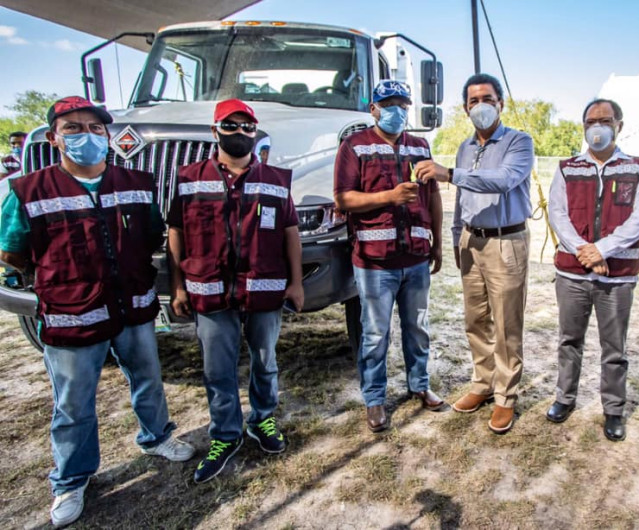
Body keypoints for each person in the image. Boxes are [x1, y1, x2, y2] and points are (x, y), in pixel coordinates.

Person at [0, 96, 194, 527]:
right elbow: (12, 252)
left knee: (147, 378)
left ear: (106, 135)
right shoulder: (28, 190)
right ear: (54, 138)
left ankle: (157, 437)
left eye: (93, 127)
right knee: (73, 402)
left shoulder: (134, 183)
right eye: (72, 128)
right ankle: (70, 480)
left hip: (133, 305)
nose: (85, 135)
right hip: (72, 314)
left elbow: (151, 234)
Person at [167, 99, 304, 483]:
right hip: (209, 293)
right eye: (231, 126)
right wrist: (176, 286)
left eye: (247, 127)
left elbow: (290, 233)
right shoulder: (188, 178)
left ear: (255, 132)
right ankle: (225, 435)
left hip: (264, 291)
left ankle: (262, 421)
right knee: (218, 370)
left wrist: (295, 283)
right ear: (215, 131)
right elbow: (175, 232)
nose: (240, 133)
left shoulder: (276, 179)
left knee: (265, 362)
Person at [414, 73, 533, 434]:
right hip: (471, 241)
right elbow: (463, 199)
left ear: (501, 103)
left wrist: (449, 173)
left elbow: (503, 180)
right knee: (475, 320)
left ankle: (505, 397)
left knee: (506, 324)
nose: (479, 106)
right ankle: (483, 384)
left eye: (486, 99)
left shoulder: (518, 142)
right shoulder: (466, 147)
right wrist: (455, 240)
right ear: (465, 108)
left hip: (505, 242)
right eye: (472, 101)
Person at [334, 80, 445, 433]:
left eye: (403, 103)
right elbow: (343, 200)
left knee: (418, 327)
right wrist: (388, 197)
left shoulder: (420, 145)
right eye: (389, 103)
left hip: (415, 258)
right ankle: (375, 399)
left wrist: (437, 242)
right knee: (375, 333)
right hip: (374, 262)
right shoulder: (355, 146)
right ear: (374, 109)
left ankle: (420, 384)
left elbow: (434, 198)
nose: (397, 110)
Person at [546, 99, 639, 442]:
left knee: (614, 347)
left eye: (605, 120)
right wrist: (585, 252)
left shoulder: (638, 168)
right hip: (573, 275)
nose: (598, 126)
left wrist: (602, 249)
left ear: (619, 125)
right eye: (591, 121)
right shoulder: (567, 168)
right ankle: (565, 398)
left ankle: (613, 409)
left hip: (617, 275)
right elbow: (558, 214)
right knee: (569, 341)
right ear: (583, 127)